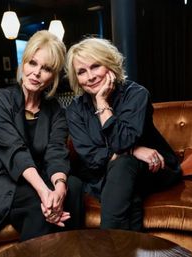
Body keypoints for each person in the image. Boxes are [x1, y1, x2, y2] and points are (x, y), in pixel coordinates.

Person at [0, 30, 83, 241]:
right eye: (32, 63)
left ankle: (70, 249)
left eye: (46, 68)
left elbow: (56, 152)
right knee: (38, 205)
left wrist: (59, 189)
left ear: (53, 77)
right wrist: (44, 193)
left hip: (36, 175)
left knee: (73, 186)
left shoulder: (56, 111)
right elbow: (14, 151)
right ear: (23, 63)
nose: (36, 73)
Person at [65, 37, 182, 231]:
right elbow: (91, 157)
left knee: (123, 164)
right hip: (106, 175)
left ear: (110, 65)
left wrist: (102, 102)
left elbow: (121, 142)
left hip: (151, 169)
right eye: (82, 72)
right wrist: (133, 151)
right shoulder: (75, 110)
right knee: (128, 187)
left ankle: (107, 247)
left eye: (95, 66)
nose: (90, 76)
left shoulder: (136, 94)